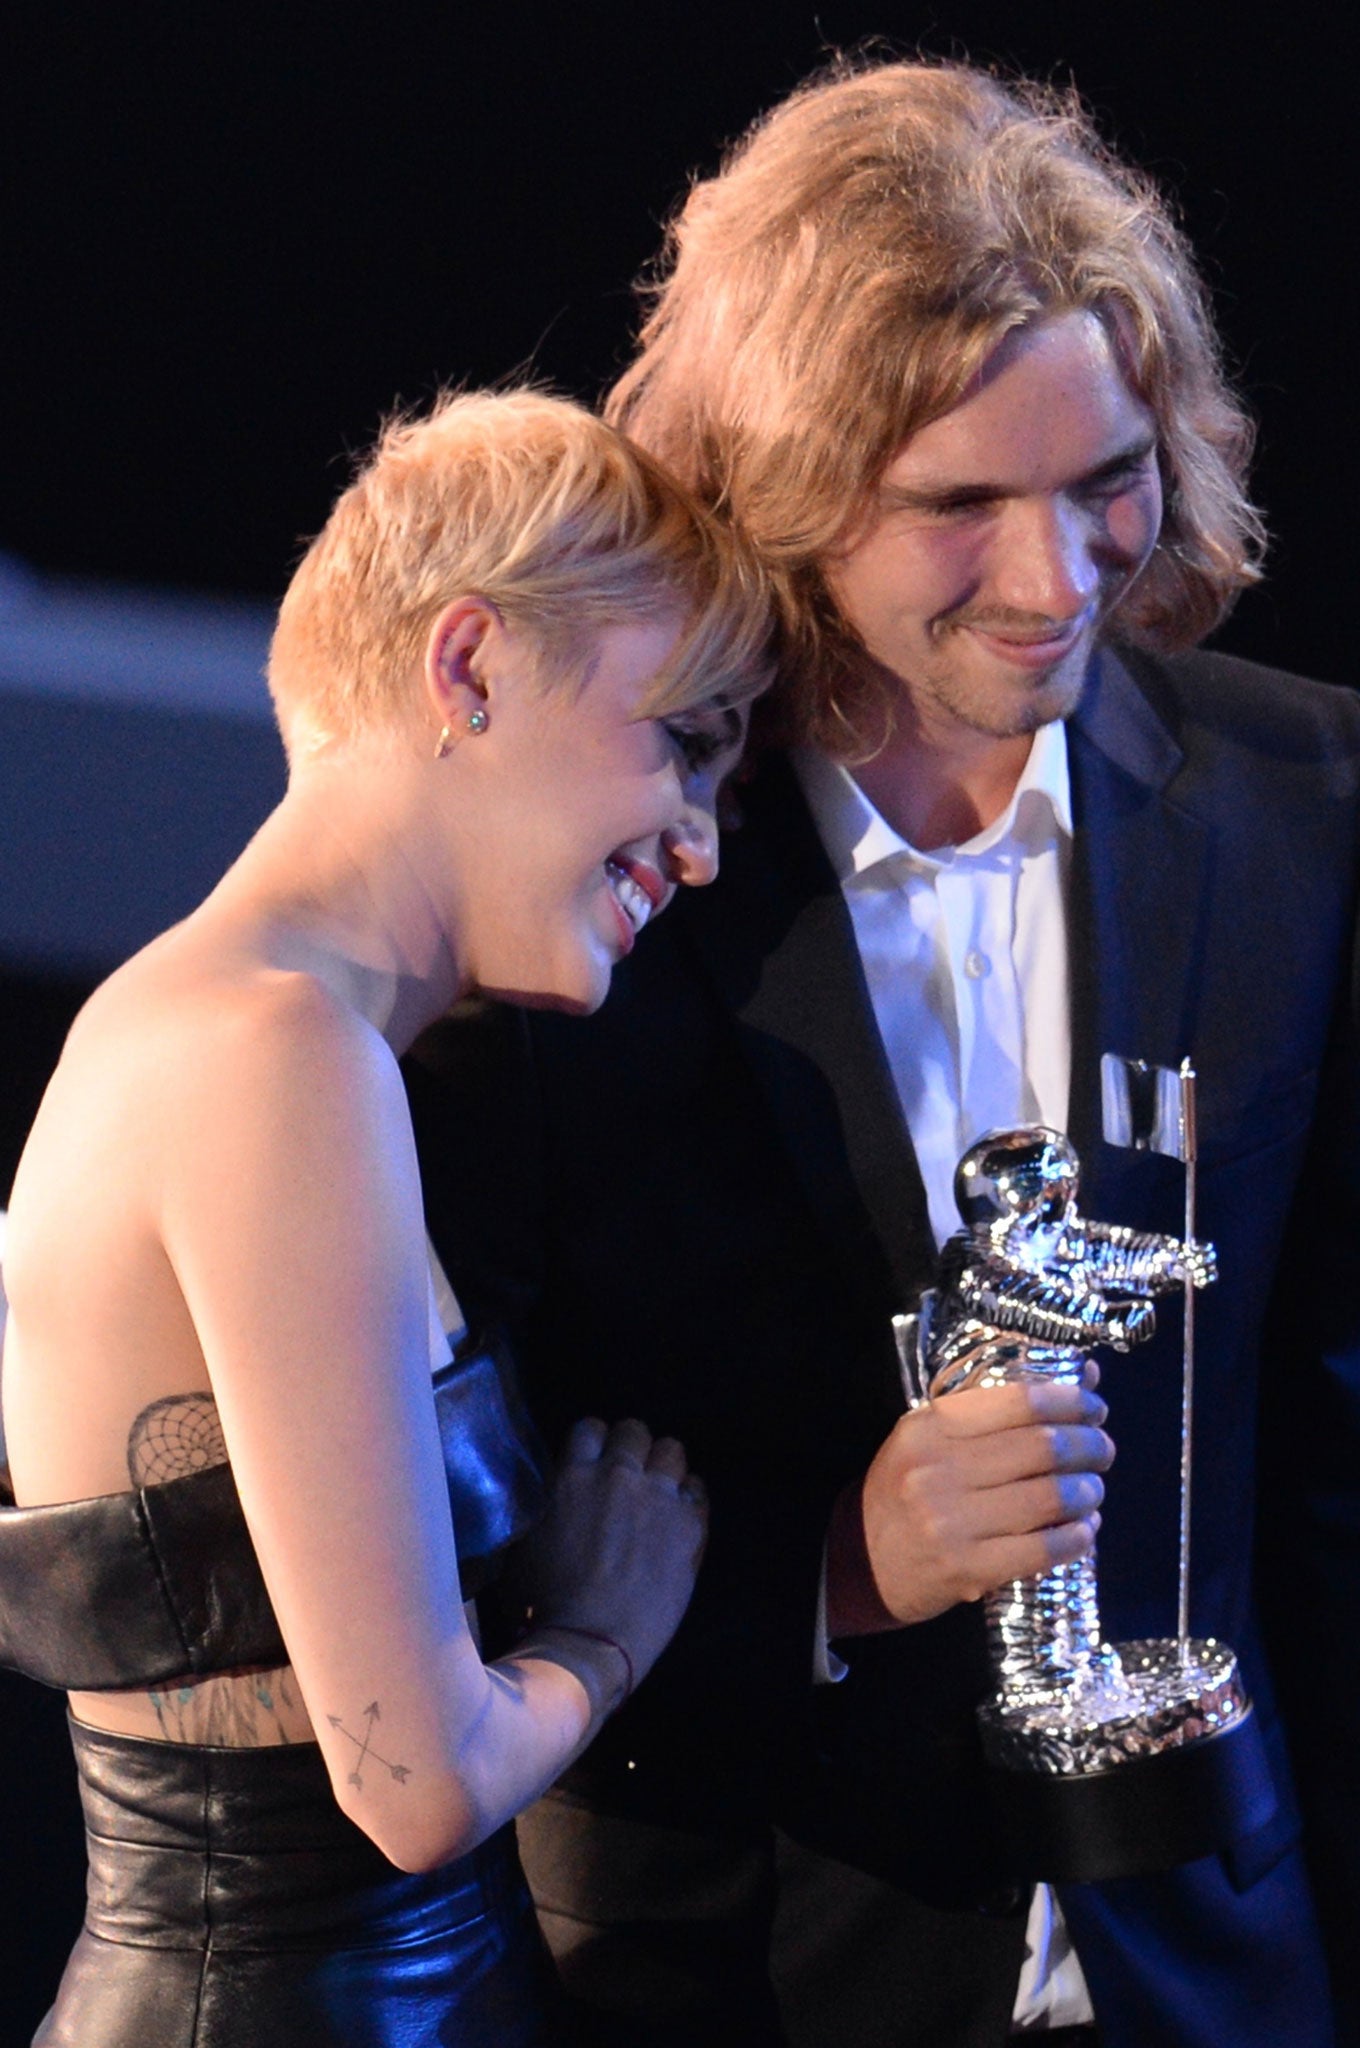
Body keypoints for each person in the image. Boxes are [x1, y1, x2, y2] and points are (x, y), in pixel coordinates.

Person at [404, 59, 1360, 2048]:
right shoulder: (580, 884)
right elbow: (436, 1541)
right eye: (956, 507)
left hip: (1220, 1981)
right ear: (783, 493)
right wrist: (843, 1566)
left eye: (1105, 482)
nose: (1058, 579)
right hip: (728, 1983)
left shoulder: (1298, 800)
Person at [0, 388, 773, 2045]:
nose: (703, 845)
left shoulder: (268, 1043)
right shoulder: (275, 1055)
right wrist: (604, 1631)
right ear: (470, 664)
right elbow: (413, 1785)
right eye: (686, 741)